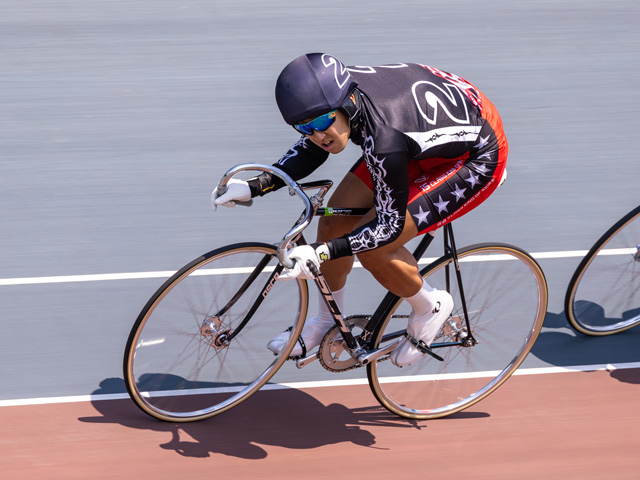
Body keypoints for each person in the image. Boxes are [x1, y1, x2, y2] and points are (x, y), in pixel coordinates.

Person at [211, 53, 508, 367]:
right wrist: (256, 186)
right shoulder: (332, 93)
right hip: (416, 130)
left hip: (474, 156)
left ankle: (431, 305)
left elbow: (387, 227)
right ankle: (326, 321)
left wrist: (322, 253)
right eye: (303, 126)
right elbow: (314, 147)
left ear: (348, 103)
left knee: (376, 249)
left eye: (322, 122)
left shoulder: (384, 137)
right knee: (331, 225)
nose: (316, 135)